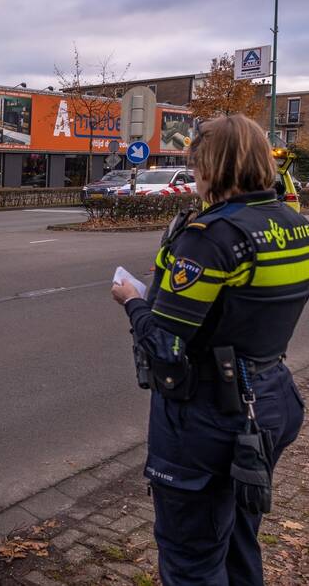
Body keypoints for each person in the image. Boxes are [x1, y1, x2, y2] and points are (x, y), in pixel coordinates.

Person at [111, 114, 307, 585]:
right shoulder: (295, 226)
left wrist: (133, 300)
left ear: (212, 165)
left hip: (209, 411)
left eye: (195, 163)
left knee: (191, 557)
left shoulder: (212, 237)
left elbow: (164, 343)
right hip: (271, 397)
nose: (193, 173)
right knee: (240, 535)